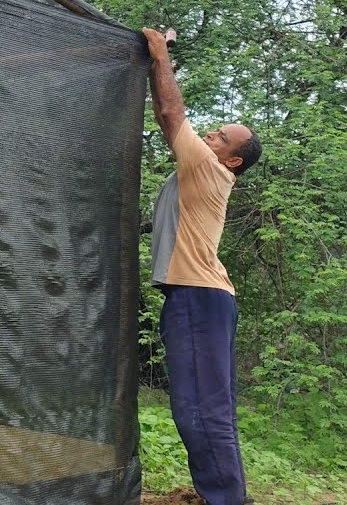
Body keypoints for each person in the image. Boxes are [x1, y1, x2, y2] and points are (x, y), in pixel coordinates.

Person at [143, 27, 262, 505]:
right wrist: (157, 61)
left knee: (199, 408)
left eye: (221, 137)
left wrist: (158, 50)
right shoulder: (199, 164)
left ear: (231, 161)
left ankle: (226, 500)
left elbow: (172, 113)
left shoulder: (209, 169)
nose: (211, 133)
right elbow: (165, 115)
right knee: (210, 406)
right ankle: (228, 496)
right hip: (203, 298)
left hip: (198, 296)